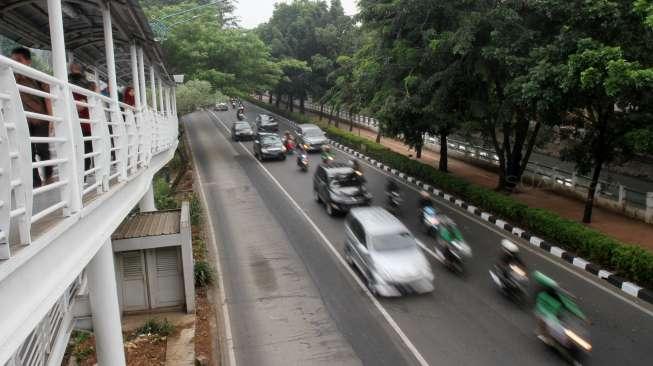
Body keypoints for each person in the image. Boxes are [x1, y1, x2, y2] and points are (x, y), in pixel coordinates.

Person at [11, 47, 53, 187]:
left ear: (28, 62)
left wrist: (51, 119)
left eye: (19, 60)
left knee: (42, 149)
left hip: (40, 119)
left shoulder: (36, 75)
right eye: (13, 60)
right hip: (23, 120)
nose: (15, 63)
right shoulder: (11, 78)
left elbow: (47, 98)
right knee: (28, 151)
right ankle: (35, 182)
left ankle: (48, 174)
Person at [69, 63, 94, 173]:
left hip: (75, 119)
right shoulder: (88, 84)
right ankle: (84, 172)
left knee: (78, 148)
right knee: (86, 147)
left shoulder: (68, 81)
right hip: (86, 120)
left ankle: (82, 172)